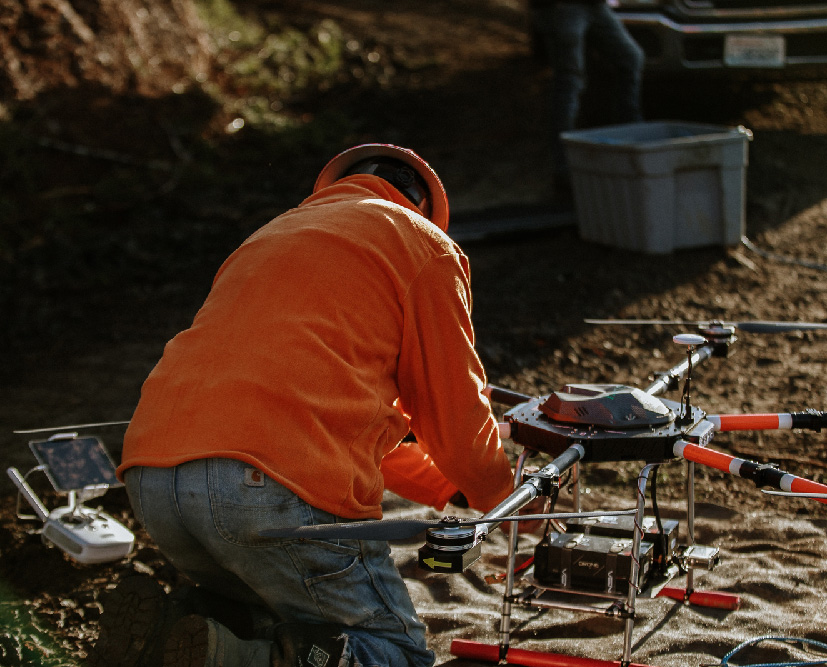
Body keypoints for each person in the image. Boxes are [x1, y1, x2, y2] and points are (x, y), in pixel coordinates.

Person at [93, 144, 519, 667]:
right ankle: (242, 659)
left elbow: (320, 423)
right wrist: (507, 498)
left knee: (267, 611)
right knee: (397, 654)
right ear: (426, 208)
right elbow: (455, 419)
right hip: (267, 491)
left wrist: (446, 488)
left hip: (153, 477)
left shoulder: (267, 238)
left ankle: (175, 633)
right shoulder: (423, 244)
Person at [529, 0, 645, 190]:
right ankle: (563, 169)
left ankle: (632, 141)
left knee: (631, 59)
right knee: (569, 82)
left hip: (593, 6)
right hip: (561, 8)